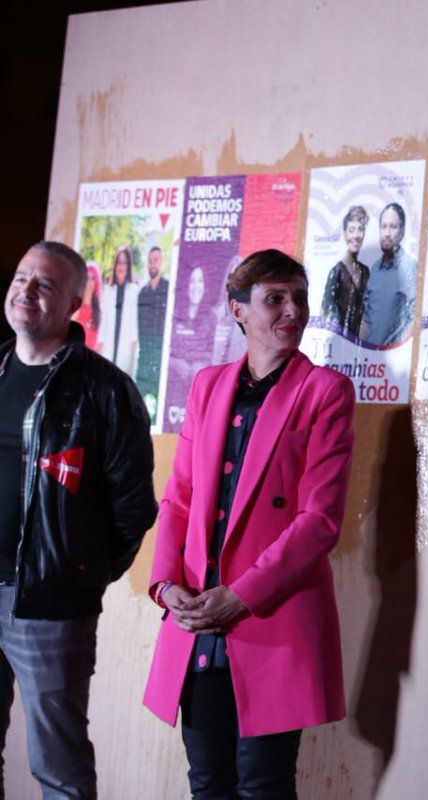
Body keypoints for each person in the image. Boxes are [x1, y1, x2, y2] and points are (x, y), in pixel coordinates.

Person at [143, 249, 356, 797]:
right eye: (274, 299)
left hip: (272, 617)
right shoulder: (207, 385)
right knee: (208, 783)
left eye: (299, 299)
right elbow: (179, 499)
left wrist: (241, 595)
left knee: (264, 786)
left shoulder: (325, 390)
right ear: (238, 310)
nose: (292, 311)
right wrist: (166, 585)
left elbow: (319, 520)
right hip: (198, 619)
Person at [0, 241, 156, 797]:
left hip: (49, 604)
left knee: (59, 768)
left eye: (44, 284)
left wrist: (79, 575)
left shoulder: (105, 390)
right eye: (21, 278)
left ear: (73, 305)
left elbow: (133, 508)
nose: (26, 291)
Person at [363, 203, 419, 345]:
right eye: (384, 226)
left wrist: (398, 350)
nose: (387, 233)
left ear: (402, 231)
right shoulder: (374, 269)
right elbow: (366, 319)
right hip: (370, 356)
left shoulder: (409, 267)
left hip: (394, 355)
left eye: (393, 227)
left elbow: (415, 317)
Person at [321, 205, 370, 338]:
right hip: (338, 340)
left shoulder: (365, 272)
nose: (356, 235)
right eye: (351, 230)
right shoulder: (336, 272)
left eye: (360, 229)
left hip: (360, 344)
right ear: (345, 234)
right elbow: (326, 312)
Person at [97, 244, 140, 375]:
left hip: (125, 353)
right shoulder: (107, 291)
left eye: (124, 262)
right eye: (118, 262)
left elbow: (134, 329)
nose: (121, 266)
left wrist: (132, 361)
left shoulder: (134, 291)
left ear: (129, 266)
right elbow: (102, 325)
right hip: (107, 352)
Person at [136, 245, 170, 403]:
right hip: (144, 359)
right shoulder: (142, 293)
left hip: (161, 359)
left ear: (161, 262)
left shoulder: (169, 289)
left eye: (156, 260)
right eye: (150, 261)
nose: (152, 264)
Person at [73, 261, 102, 350]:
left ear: (96, 282)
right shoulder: (76, 303)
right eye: (87, 278)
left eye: (92, 279)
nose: (89, 282)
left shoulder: (97, 307)